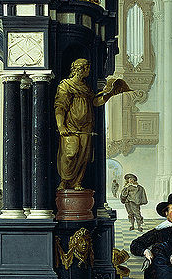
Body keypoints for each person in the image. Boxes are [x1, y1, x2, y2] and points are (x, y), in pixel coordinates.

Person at [54, 58, 128, 190]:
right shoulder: (66, 85)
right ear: (79, 69)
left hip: (86, 128)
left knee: (84, 156)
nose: (88, 70)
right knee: (70, 154)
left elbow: (95, 102)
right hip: (71, 127)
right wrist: (61, 126)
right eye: (86, 68)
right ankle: (64, 181)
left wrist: (110, 94)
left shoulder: (86, 87)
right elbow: (60, 106)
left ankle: (77, 182)